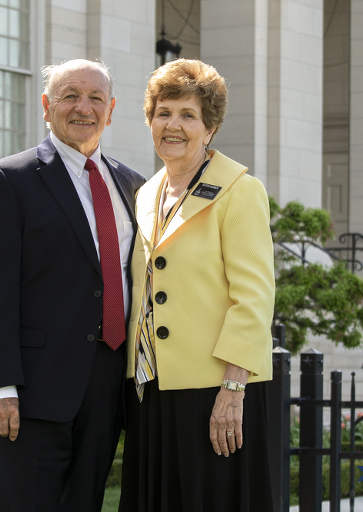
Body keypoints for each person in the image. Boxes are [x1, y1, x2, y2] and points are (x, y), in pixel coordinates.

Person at [0, 59, 145, 512]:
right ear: (47, 106)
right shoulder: (10, 179)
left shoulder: (132, 185)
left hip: (108, 389)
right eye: (70, 95)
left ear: (110, 110)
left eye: (95, 98)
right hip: (32, 392)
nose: (83, 107)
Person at [118, 59, 276, 512]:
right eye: (163, 112)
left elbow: (254, 296)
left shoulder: (239, 191)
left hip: (216, 389)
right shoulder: (146, 194)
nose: (174, 125)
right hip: (151, 389)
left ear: (210, 129)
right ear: (150, 121)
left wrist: (233, 388)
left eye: (188, 115)